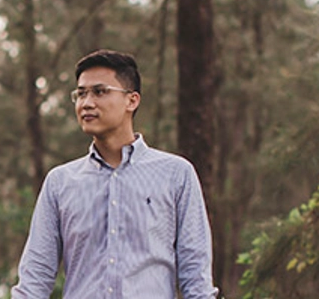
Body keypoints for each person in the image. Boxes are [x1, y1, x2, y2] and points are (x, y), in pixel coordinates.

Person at [12, 49, 220, 298]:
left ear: (132, 100)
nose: (86, 103)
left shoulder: (176, 175)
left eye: (100, 92)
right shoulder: (60, 183)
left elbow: (196, 277)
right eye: (81, 94)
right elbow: (35, 279)